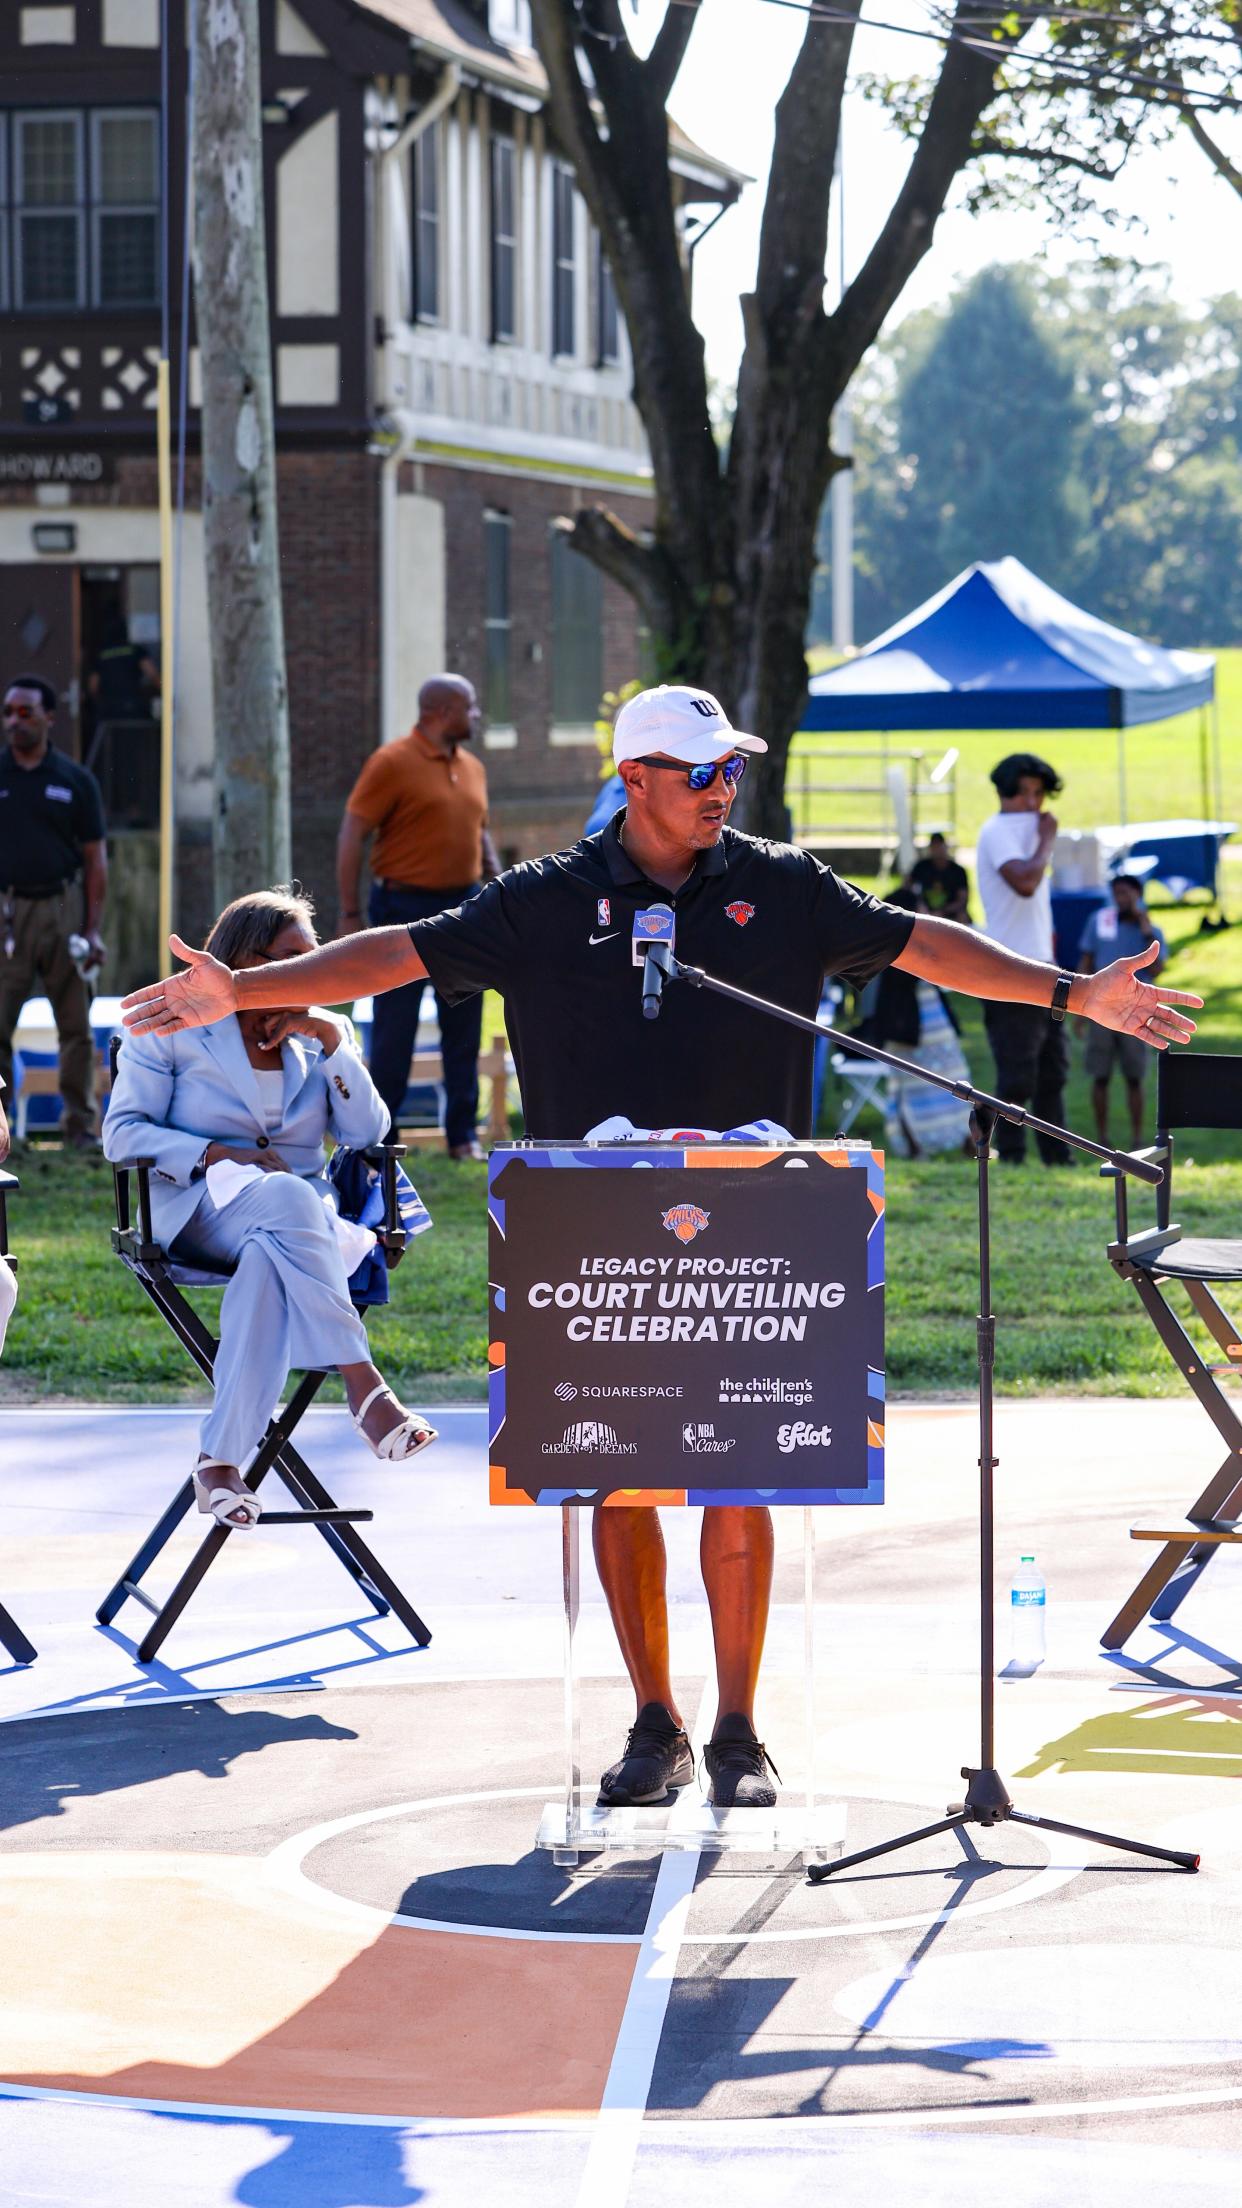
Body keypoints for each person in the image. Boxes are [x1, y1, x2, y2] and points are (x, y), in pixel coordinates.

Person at [122, 685, 1200, 1801]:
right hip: (589, 1235)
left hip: (763, 1227)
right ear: (633, 778)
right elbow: (393, 955)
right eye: (700, 773)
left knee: (743, 1484)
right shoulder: (546, 900)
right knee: (619, 1483)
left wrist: (1077, 994)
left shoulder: (781, 887)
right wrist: (244, 987)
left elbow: (924, 943)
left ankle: (738, 1729)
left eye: (732, 769)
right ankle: (654, 1724)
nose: (722, 790)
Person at [105, 887, 436, 1530]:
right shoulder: (177, 1026)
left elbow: (368, 1133)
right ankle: (362, 1380)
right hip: (199, 1209)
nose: (308, 971)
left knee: (271, 1248)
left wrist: (331, 1039)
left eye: (315, 957)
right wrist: (218, 1154)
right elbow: (123, 1135)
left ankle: (219, 1463)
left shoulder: (321, 1031)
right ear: (246, 962)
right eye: (293, 956)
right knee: (287, 1197)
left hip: (292, 1226)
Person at [337, 675, 500, 1160]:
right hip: (403, 909)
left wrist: (493, 879)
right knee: (394, 1031)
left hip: (465, 909)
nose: (476, 716)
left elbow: (480, 829)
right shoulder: (391, 763)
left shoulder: (472, 767)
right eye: (469, 707)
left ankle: (462, 1136)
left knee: (463, 1027)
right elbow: (352, 834)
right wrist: (349, 912)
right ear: (441, 710)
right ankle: (381, 1139)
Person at [0, 675, 107, 1151]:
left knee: (75, 1027)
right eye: (7, 713)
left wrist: (93, 929)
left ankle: (79, 1128)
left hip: (64, 906)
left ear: (49, 717)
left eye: (25, 713)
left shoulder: (75, 780)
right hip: (8, 909)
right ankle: (1, 1129)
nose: (14, 722)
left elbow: (95, 859)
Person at [974, 751, 1070, 1165]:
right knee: (1017, 1074)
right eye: (1026, 792)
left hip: (1043, 967)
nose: (1035, 804)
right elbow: (1026, 883)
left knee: (1053, 1072)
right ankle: (1007, 1154)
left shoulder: (1025, 832)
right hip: (1008, 970)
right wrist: (1048, 837)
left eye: (1041, 794)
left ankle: (1056, 1157)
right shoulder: (998, 831)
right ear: (1006, 791)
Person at [1077, 873, 1167, 1145]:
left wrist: (1146, 930)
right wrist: (1079, 1002)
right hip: (1100, 1009)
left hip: (1136, 1012)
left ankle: (1138, 1137)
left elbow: (1158, 969)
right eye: (1117, 893)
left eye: (1126, 893)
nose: (1121, 899)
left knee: (1134, 1077)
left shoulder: (1151, 931)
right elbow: (1087, 960)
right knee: (1100, 1076)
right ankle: (1102, 1137)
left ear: (1138, 895)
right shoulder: (1100, 922)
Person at [906, 832, 970, 923]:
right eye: (934, 847)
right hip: (925, 913)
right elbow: (906, 886)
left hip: (949, 913)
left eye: (939, 846)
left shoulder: (957, 871)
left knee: (962, 917)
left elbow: (962, 901)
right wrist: (919, 904)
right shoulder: (921, 867)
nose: (937, 850)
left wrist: (942, 911)